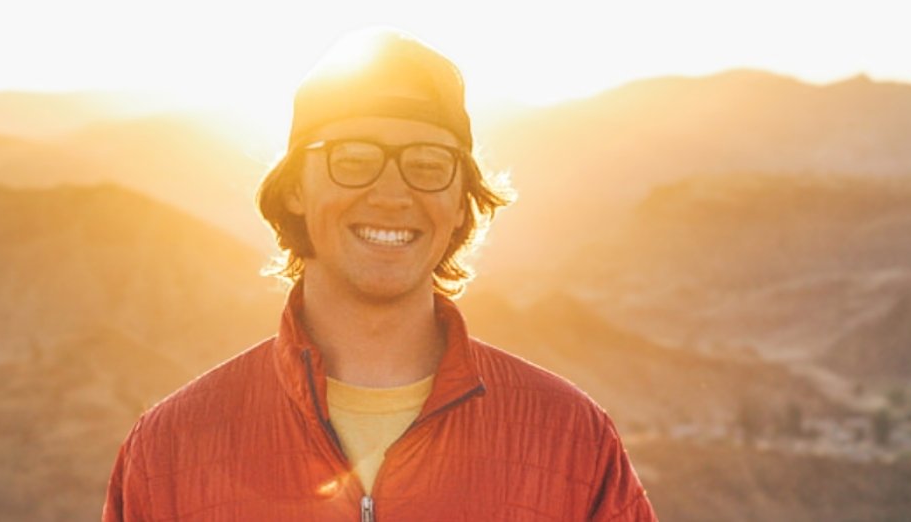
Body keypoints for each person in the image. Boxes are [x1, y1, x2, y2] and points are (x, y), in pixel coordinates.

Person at [102, 27, 657, 521]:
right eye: (352, 158)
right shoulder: (170, 453)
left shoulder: (569, 442)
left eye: (427, 165)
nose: (393, 195)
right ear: (295, 187)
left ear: (462, 201)